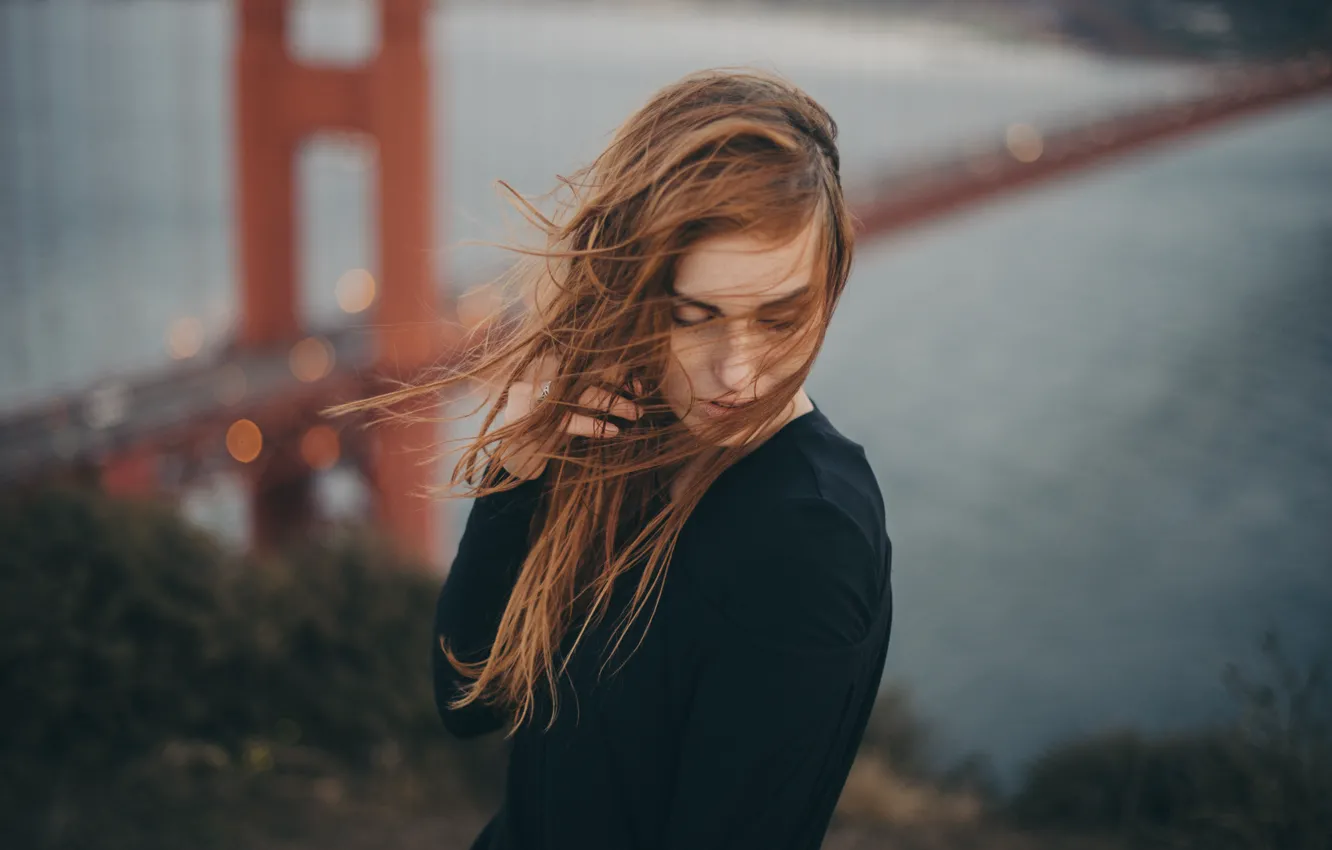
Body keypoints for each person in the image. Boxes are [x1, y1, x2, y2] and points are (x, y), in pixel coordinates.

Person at [341, 67, 892, 850]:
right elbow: (468, 697)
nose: (736, 372)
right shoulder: (617, 428)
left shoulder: (808, 543)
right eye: (693, 316)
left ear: (828, 288)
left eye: (779, 318)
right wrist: (519, 469)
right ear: (634, 289)